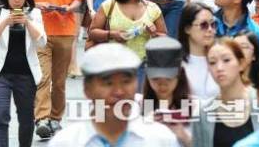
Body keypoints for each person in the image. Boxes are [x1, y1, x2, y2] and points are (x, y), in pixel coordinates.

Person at [49, 43, 181, 146]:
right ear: (87, 89)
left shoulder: (161, 139)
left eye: (126, 81)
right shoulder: (66, 142)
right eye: (108, 83)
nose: (119, 92)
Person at [24, 0, 84, 138]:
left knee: (59, 81)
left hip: (65, 31)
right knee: (42, 77)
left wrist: (69, 7)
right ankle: (41, 118)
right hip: (39, 31)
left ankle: (55, 118)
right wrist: (37, 4)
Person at [0, 0, 46, 147]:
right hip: (0, 74)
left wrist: (28, 23)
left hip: (26, 75)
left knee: (26, 119)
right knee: (0, 116)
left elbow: (42, 42)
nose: (17, 0)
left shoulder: (34, 13)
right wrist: (5, 22)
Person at [192, 39, 259, 147]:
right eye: (212, 63)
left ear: (241, 63)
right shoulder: (203, 113)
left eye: (226, 60)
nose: (219, 68)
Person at [143, 37, 192, 146]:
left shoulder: (195, 107)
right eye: (155, 78)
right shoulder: (136, 108)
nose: (162, 84)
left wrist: (184, 137)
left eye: (168, 78)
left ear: (179, 75)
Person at [178, 2, 219, 100]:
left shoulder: (222, 59)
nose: (210, 29)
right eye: (203, 25)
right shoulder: (177, 63)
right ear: (187, 29)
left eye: (213, 24)